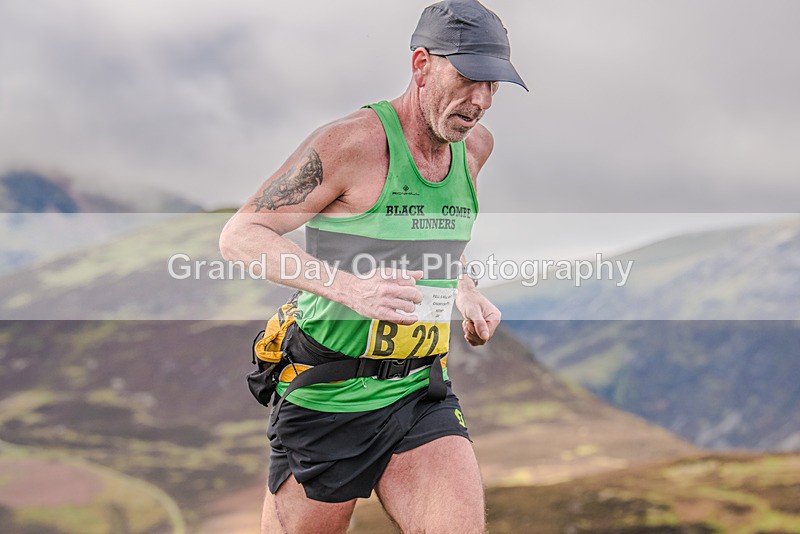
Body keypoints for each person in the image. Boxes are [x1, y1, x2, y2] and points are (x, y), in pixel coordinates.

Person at [219, 1, 527, 532]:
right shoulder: (350, 144)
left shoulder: (474, 148)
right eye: (470, 77)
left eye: (494, 84)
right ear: (422, 64)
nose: (481, 101)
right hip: (328, 394)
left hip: (418, 390)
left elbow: (437, 238)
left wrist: (465, 289)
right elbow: (242, 235)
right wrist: (350, 289)